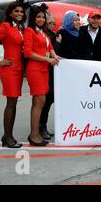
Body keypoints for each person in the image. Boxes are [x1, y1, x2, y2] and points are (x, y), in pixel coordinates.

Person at [0, 0, 28, 148]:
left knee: (13, 103)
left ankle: (8, 136)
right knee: (10, 104)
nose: (19, 13)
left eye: (21, 11)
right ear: (10, 13)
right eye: (16, 11)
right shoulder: (6, 26)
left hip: (19, 69)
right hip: (9, 70)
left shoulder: (20, 28)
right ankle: (7, 137)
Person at [24, 4, 59, 146]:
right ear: (33, 18)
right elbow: (28, 52)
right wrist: (48, 59)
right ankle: (34, 135)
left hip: (44, 70)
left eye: (43, 17)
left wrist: (55, 56)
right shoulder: (29, 31)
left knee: (41, 102)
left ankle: (36, 133)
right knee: (38, 102)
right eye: (38, 17)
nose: (41, 19)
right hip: (35, 69)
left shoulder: (44, 33)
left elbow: (50, 48)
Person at [39, 12, 61, 140]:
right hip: (46, 70)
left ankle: (42, 126)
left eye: (54, 23)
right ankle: (41, 127)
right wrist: (58, 43)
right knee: (46, 100)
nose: (52, 25)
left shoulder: (54, 34)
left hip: (53, 71)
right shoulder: (46, 35)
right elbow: (52, 52)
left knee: (50, 99)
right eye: (50, 23)